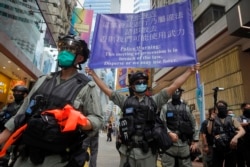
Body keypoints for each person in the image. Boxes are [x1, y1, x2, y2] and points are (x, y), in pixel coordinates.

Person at [0, 34, 103, 167]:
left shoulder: (87, 86)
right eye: (63, 48)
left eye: (70, 50)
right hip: (26, 155)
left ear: (80, 58)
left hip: (57, 159)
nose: (64, 52)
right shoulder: (43, 80)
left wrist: (81, 121)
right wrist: (2, 137)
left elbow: (97, 119)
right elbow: (21, 113)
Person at [85, 63, 200, 167]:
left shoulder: (155, 100)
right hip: (127, 153)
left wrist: (189, 71)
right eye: (138, 83)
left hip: (148, 153)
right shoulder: (124, 101)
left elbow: (174, 86)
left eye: (144, 82)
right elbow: (106, 89)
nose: (142, 84)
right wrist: (93, 74)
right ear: (132, 86)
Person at [160, 88, 199, 167]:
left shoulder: (187, 108)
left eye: (178, 92)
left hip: (184, 144)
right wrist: (169, 133)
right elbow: (161, 123)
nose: (176, 93)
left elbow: (194, 124)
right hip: (169, 145)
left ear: (181, 93)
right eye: (174, 91)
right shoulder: (165, 107)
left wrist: (195, 141)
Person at [207, 100, 245, 167]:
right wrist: (211, 119)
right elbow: (209, 131)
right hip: (217, 147)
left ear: (226, 107)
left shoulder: (231, 118)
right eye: (219, 106)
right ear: (216, 109)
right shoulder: (213, 119)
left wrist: (235, 138)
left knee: (231, 164)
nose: (221, 107)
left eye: (222, 106)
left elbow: (242, 131)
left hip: (230, 146)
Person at [0, 85, 28, 166]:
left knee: (14, 157)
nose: (16, 94)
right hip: (6, 133)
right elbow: (2, 113)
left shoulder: (25, 106)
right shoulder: (10, 105)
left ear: (25, 94)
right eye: (15, 92)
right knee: (3, 155)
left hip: (18, 136)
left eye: (19, 92)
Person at [236, 102, 250, 167]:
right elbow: (237, 124)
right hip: (243, 141)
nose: (249, 109)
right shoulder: (240, 117)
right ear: (243, 109)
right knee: (241, 160)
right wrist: (247, 123)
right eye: (247, 108)